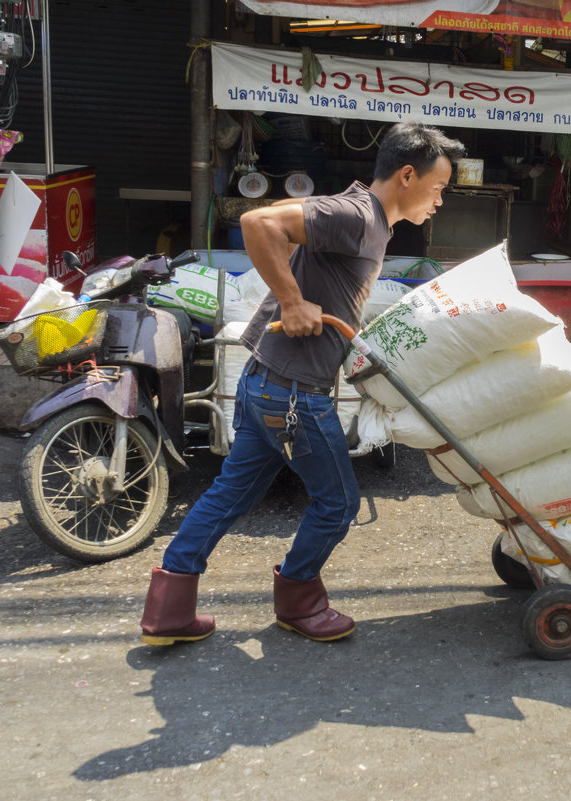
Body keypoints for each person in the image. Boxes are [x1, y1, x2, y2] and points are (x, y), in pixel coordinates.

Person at [139, 122, 466, 646]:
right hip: (292, 394)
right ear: (408, 175)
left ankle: (167, 610)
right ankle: (299, 600)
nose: (440, 200)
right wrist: (291, 301)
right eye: (439, 187)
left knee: (228, 495)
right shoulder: (359, 215)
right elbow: (258, 221)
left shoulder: (371, 221)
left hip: (263, 383)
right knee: (338, 504)